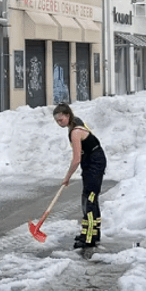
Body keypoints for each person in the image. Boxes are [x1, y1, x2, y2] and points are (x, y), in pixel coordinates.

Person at [53, 103, 107, 249]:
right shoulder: (74, 123)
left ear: (68, 115)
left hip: (94, 164)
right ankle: (92, 234)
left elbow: (76, 159)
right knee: (89, 198)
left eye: (61, 120)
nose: (59, 123)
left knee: (90, 199)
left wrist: (67, 177)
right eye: (57, 121)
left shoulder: (75, 132)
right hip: (91, 162)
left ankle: (89, 239)